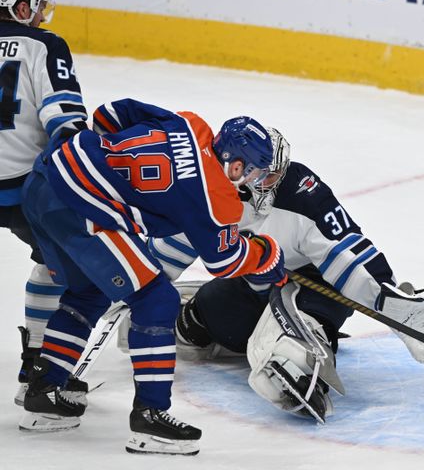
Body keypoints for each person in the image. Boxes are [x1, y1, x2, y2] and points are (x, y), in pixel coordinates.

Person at [146, 119, 424, 423]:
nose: (277, 180)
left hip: (314, 282)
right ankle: (201, 314)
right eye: (268, 176)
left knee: (298, 314)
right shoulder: (205, 194)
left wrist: (392, 305)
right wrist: (137, 283)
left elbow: (347, 255)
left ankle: (306, 351)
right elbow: (171, 248)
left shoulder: (302, 192)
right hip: (254, 282)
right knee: (197, 321)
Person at [19, 99, 287, 456]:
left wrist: (110, 166)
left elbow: (112, 113)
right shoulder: (215, 196)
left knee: (89, 292)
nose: (257, 181)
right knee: (156, 299)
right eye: (255, 172)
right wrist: (266, 255)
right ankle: (151, 417)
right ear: (235, 166)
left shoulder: (191, 124)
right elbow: (224, 262)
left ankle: (44, 391)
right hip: (82, 208)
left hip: (43, 180)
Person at [0, 0, 91, 405]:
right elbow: (65, 121)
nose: (39, 18)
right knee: (64, 266)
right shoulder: (44, 45)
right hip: (24, 189)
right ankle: (38, 363)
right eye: (36, 9)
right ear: (20, 6)